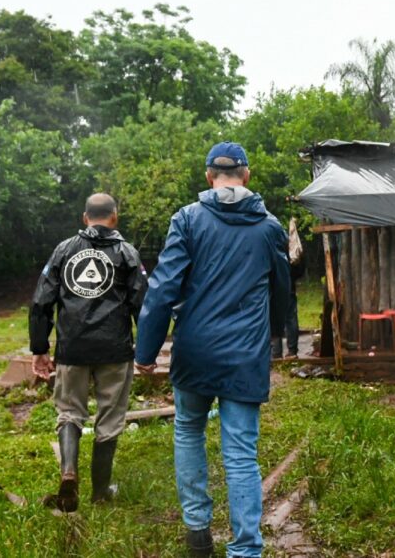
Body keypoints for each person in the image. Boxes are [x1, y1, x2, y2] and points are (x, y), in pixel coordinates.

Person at [135, 142, 290, 558]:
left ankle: (198, 535)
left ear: (208, 176)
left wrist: (145, 351)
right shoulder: (270, 226)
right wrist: (276, 341)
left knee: (188, 430)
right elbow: (281, 291)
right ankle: (245, 550)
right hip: (244, 356)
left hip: (194, 351)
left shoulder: (187, 219)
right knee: (240, 451)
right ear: (247, 174)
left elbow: (163, 287)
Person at [28, 193, 147, 513]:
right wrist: (147, 349)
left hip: (72, 349)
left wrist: (40, 348)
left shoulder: (63, 250)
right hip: (115, 349)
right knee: (109, 418)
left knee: (69, 412)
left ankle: (69, 473)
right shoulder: (127, 253)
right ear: (115, 217)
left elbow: (41, 301)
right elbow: (142, 304)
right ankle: (100, 491)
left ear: (85, 218)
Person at [271, 217, 305, 359]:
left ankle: (277, 353)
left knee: (274, 318)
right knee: (290, 318)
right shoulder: (292, 246)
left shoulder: (271, 245)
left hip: (273, 288)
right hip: (289, 286)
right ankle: (292, 352)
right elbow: (300, 267)